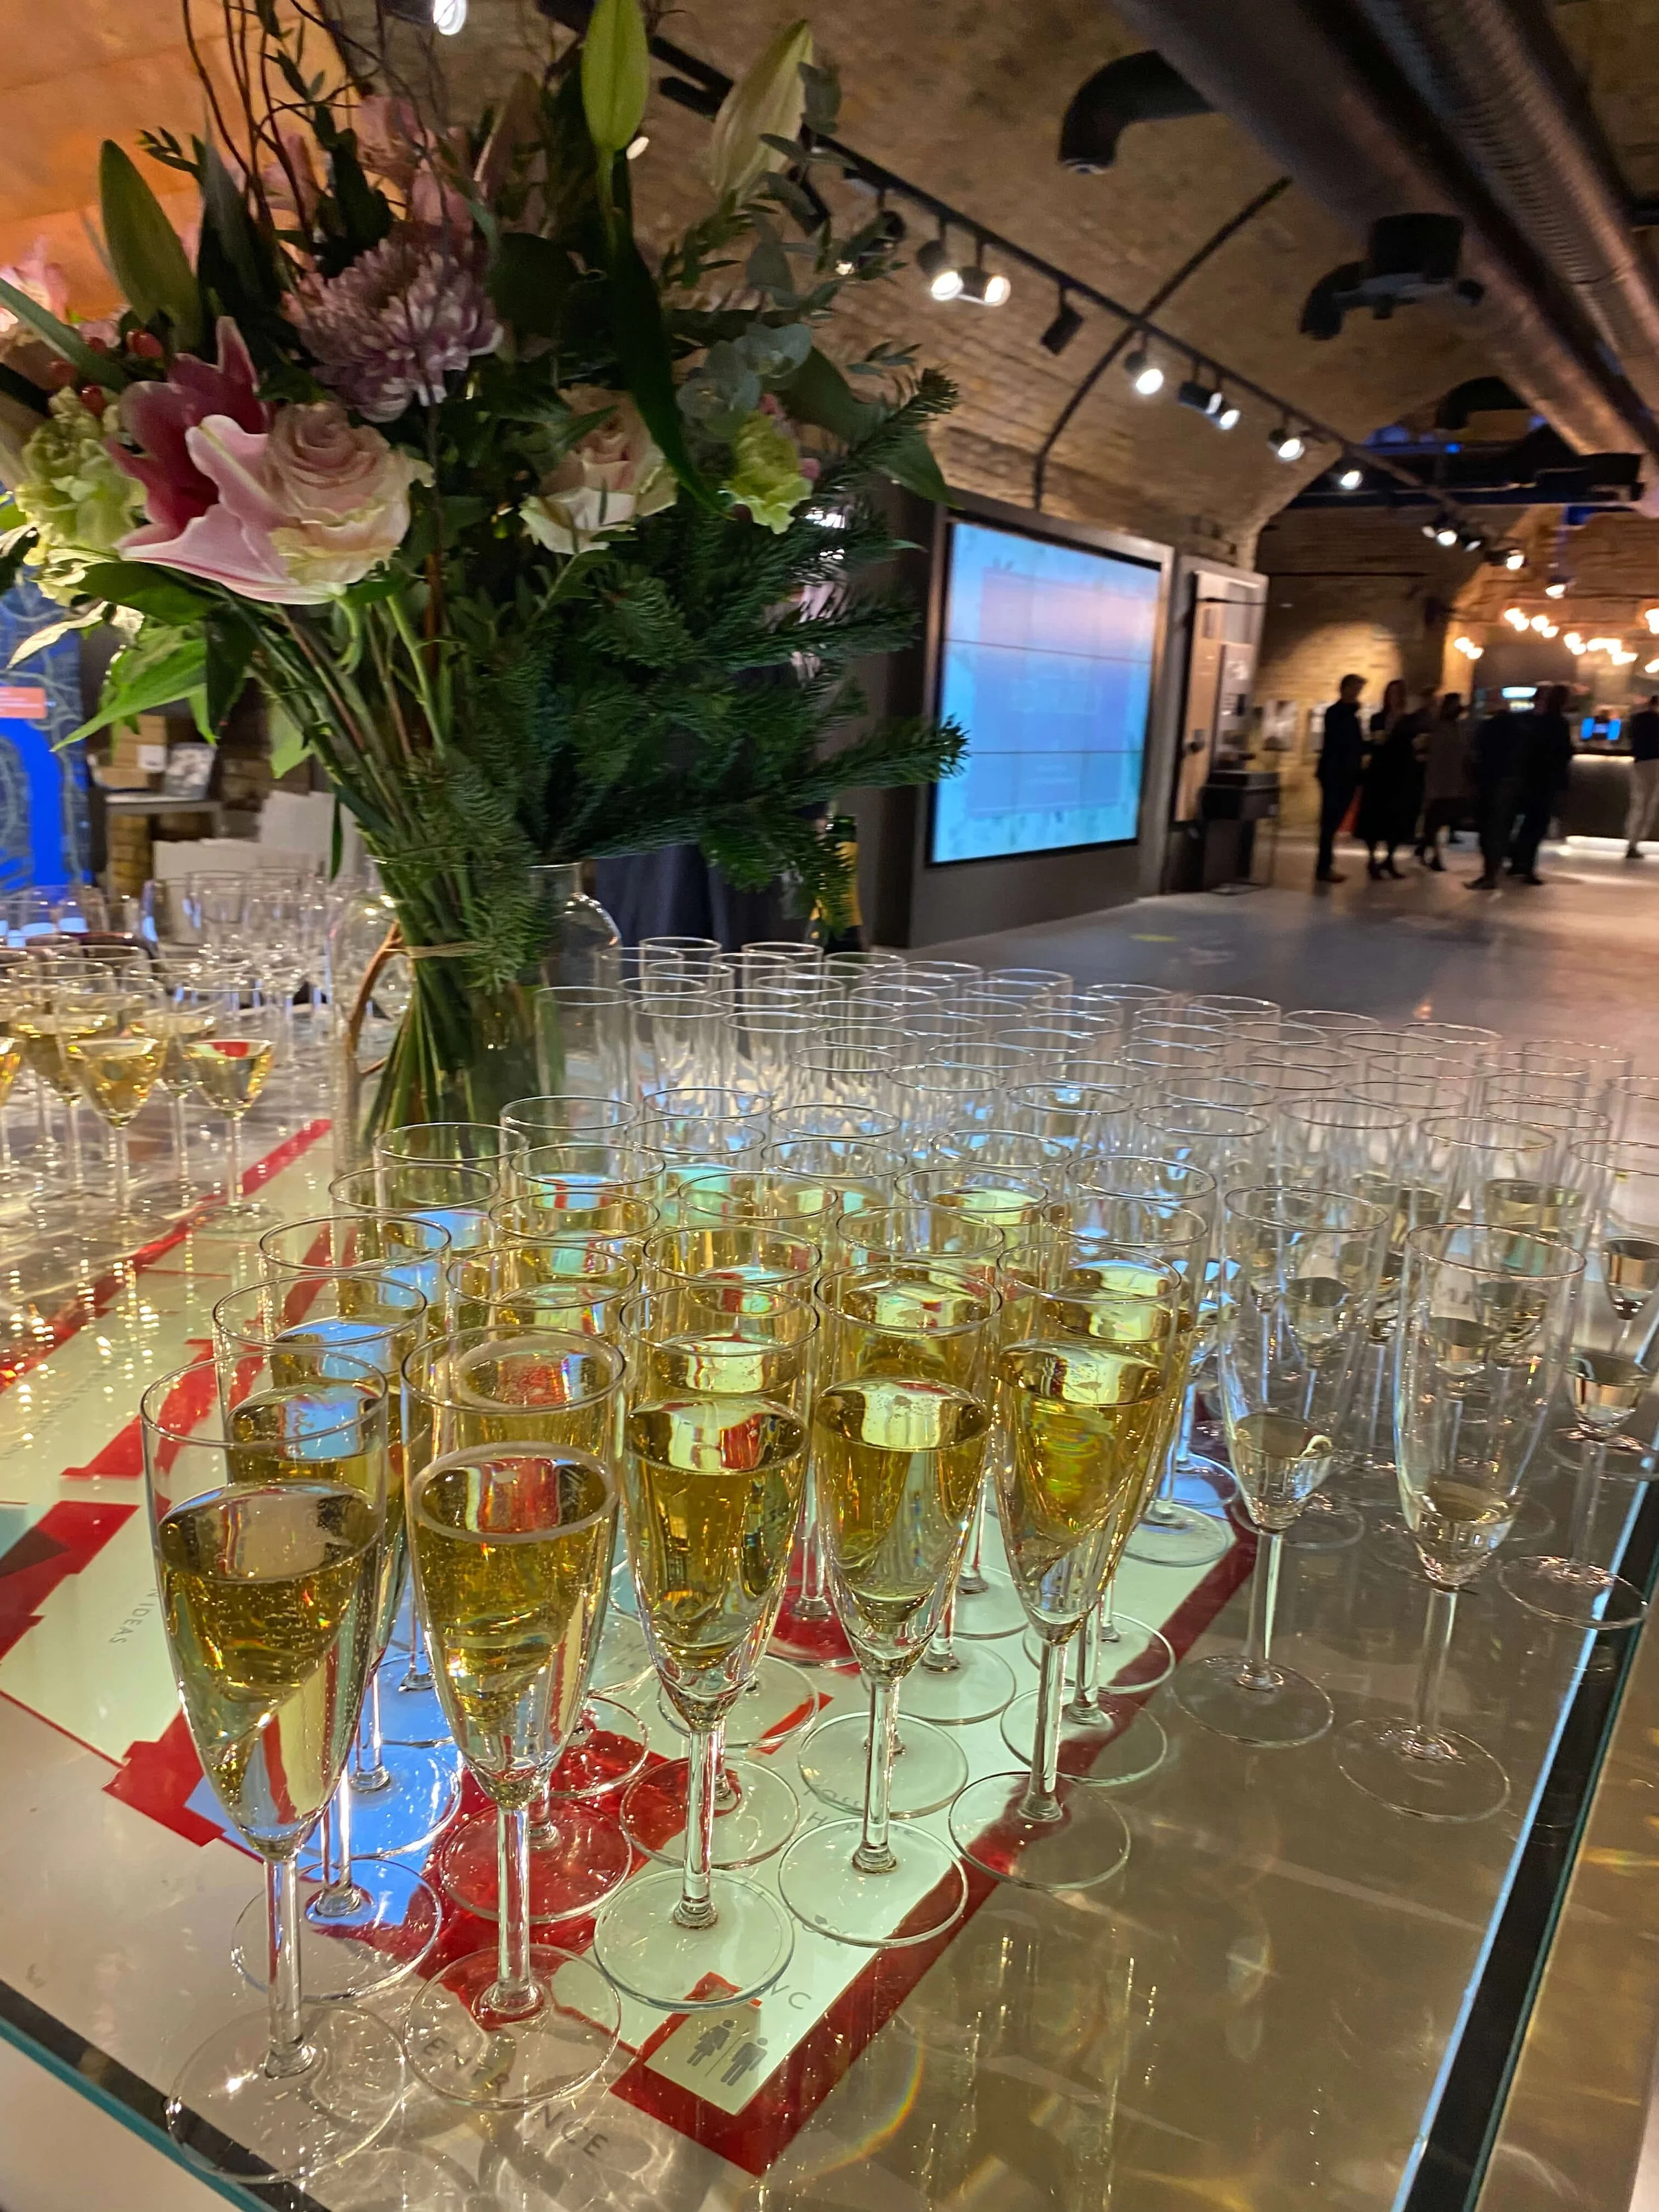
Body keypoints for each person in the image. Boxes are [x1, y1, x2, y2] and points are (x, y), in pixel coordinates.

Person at [1356, 679, 1426, 878]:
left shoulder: (1410, 721)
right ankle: (1372, 859)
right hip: (1379, 774)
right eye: (1391, 693)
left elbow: (1415, 744)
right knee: (1374, 817)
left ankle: (1389, 859)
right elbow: (1372, 743)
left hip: (1400, 774)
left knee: (1397, 818)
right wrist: (1375, 742)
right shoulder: (1378, 718)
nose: (1394, 697)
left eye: (1397, 693)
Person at [1507, 681, 1574, 884]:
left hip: (1529, 777)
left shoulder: (1534, 721)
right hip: (1547, 780)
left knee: (1527, 822)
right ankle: (1527, 866)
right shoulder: (1560, 723)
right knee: (1537, 825)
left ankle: (1517, 862)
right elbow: (1565, 752)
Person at [1467, 695, 1525, 889]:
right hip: (1508, 783)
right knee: (1500, 830)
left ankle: (1489, 874)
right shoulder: (1518, 730)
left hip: (1489, 783)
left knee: (1488, 830)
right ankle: (1493, 872)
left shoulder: (1487, 728)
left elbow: (1475, 754)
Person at [1314, 672, 1366, 883]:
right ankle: (1324, 867)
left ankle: (1326, 865)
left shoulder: (1351, 715)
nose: (1357, 694)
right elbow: (1343, 742)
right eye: (1355, 689)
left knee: (1334, 820)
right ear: (1345, 689)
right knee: (1330, 821)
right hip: (1336, 774)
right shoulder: (1336, 713)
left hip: (1348, 774)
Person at [1415, 692, 1472, 870]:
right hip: (1439, 782)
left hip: (1449, 782)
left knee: (1437, 819)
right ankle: (1434, 855)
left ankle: (1426, 848)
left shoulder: (1455, 728)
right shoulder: (1440, 728)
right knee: (1435, 818)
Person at [1625, 694, 1659, 857]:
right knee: (1647, 804)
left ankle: (1632, 841)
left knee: (1639, 803)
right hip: (1654, 763)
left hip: (1639, 763)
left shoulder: (1636, 719)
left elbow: (1631, 739)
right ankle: (1634, 842)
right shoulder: (1656, 721)